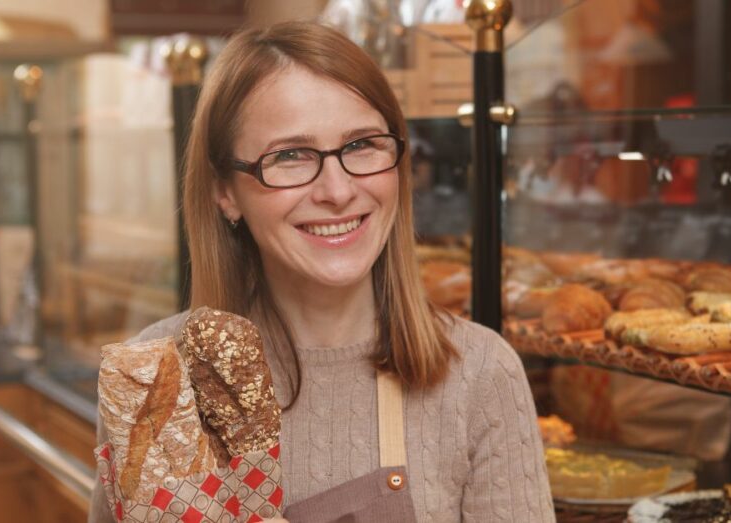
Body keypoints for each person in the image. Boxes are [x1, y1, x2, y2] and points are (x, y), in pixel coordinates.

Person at [89, 21, 554, 522]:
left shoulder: (481, 374)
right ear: (225, 192)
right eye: (290, 155)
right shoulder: (156, 379)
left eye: (362, 145)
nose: (337, 191)